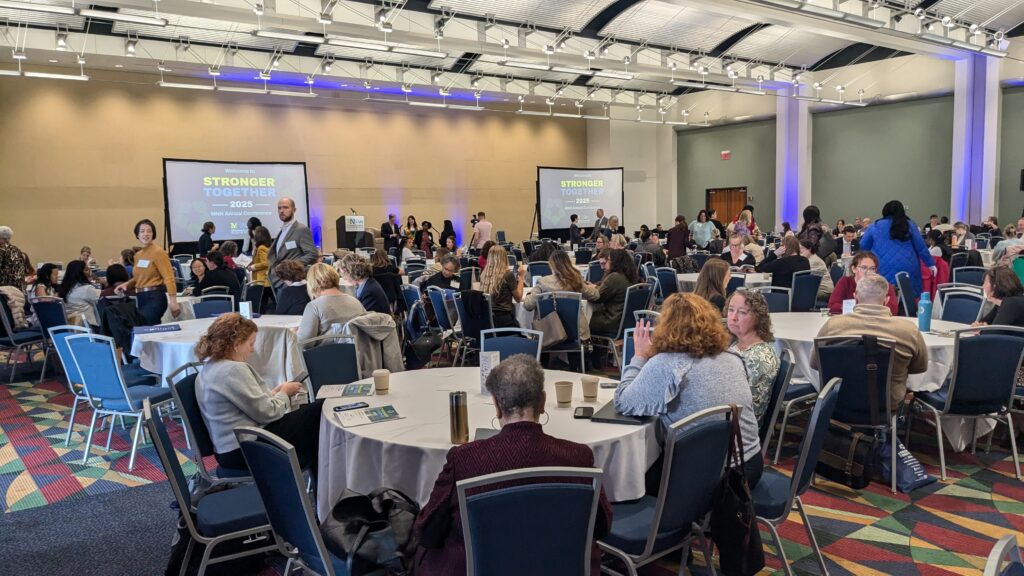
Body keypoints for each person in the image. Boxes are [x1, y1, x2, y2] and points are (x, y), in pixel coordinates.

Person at [413, 354, 611, 576]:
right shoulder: (579, 457)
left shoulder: (464, 459)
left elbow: (427, 532)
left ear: (496, 405)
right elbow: (602, 527)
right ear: (543, 401)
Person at [615, 293, 763, 488]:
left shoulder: (667, 364)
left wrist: (640, 356)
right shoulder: (733, 357)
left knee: (628, 474)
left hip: (707, 477)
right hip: (751, 463)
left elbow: (623, 402)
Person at [195, 313, 322, 470]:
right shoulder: (232, 370)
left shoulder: (211, 368)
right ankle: (313, 476)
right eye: (250, 344)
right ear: (236, 344)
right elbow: (268, 413)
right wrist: (284, 394)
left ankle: (307, 469)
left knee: (312, 427)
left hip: (230, 447)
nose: (252, 350)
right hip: (245, 447)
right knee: (319, 411)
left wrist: (275, 392)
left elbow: (246, 404)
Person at [815, 273, 927, 410]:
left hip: (838, 401)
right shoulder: (909, 331)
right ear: (886, 300)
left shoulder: (833, 325)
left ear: (855, 297)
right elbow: (919, 368)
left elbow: (815, 363)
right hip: (887, 403)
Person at [858, 200, 934, 296]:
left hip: (882, 266)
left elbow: (863, 246)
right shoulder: (910, 224)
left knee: (883, 295)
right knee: (908, 297)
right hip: (908, 266)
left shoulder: (874, 226)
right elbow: (921, 247)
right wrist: (930, 263)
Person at [725, 290, 780, 422]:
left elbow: (742, 409)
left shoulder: (758, 359)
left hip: (738, 431)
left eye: (742, 312)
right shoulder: (735, 344)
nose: (733, 317)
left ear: (758, 318)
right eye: (731, 310)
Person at [523, 250, 599, 340]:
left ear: (551, 265)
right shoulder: (576, 281)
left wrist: (529, 294)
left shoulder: (542, 282)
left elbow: (528, 305)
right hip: (575, 332)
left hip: (549, 334)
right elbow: (596, 295)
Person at [117, 219, 180, 324]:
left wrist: (173, 301)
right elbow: (139, 277)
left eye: (149, 231)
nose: (146, 234)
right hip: (141, 297)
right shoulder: (138, 255)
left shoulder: (158, 252)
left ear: (153, 234)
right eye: (142, 231)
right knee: (146, 330)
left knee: (147, 328)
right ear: (137, 235)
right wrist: (127, 284)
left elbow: (169, 277)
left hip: (155, 296)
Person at [296, 263, 366, 342]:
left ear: (312, 283)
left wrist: (294, 333)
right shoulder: (356, 302)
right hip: (355, 352)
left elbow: (304, 342)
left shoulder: (314, 306)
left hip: (324, 352)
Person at [267, 197, 318, 289]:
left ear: (294, 210)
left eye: (285, 207)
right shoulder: (283, 230)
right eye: (279, 208)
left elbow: (312, 254)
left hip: (292, 281)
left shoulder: (301, 229)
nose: (282, 211)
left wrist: (291, 266)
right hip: (279, 280)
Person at [827, 251, 898, 315]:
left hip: (877, 322)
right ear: (854, 269)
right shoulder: (845, 282)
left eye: (872, 268)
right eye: (864, 268)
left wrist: (853, 307)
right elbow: (832, 306)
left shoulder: (883, 285)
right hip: (852, 323)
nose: (868, 272)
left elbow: (893, 309)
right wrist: (871, 308)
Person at [589, 248, 638, 338]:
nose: (606, 264)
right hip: (625, 322)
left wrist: (584, 289)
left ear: (615, 262)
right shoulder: (629, 276)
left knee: (580, 320)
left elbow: (596, 298)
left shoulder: (614, 277)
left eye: (609, 260)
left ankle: (586, 350)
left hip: (611, 321)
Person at [479, 245, 525, 328]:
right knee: (524, 334)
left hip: (488, 320)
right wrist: (521, 277)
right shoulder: (507, 275)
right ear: (504, 257)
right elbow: (518, 298)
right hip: (505, 321)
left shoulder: (484, 275)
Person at [58, 261, 101, 327]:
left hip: (70, 325)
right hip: (87, 326)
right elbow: (102, 295)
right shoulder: (86, 288)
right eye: (86, 270)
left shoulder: (65, 287)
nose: (89, 271)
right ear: (79, 273)